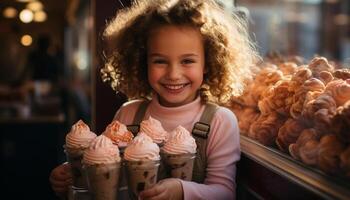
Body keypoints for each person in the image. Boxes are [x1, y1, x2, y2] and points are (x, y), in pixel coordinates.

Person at [50, 0, 259, 199]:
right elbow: (107, 171)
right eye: (160, 61)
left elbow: (224, 192)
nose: (174, 74)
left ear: (208, 62)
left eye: (187, 61)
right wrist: (74, 175)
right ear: (143, 62)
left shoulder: (219, 121)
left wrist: (181, 191)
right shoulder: (128, 115)